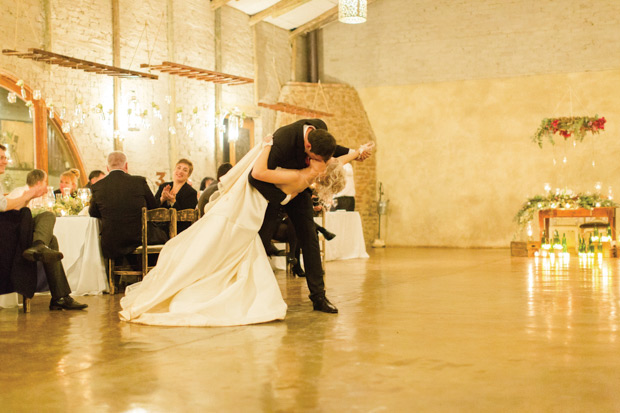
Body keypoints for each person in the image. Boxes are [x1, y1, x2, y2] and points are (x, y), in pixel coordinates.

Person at [118, 134, 364, 327]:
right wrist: (355, 152)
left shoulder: (302, 176)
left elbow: (263, 174)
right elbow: (332, 162)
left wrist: (266, 146)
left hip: (251, 203)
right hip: (249, 204)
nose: (322, 161)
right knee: (227, 243)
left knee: (225, 243)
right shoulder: (306, 176)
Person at [248, 119, 372, 313]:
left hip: (300, 191)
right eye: (317, 158)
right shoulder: (283, 141)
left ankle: (318, 297)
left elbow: (333, 152)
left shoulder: (319, 129)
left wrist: (355, 153)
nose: (321, 164)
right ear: (308, 145)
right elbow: (255, 177)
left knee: (310, 240)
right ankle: (255, 294)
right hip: (274, 192)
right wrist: (283, 198)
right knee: (261, 241)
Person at [0, 146, 87, 310]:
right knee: (49, 236)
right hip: (6, 235)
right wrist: (29, 195)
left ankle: (39, 246)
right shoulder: (19, 191)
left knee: (48, 220)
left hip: (10, 228)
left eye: (5, 157)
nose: (5, 161)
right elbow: (3, 206)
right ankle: (60, 296)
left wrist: (29, 198)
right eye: (2, 157)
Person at [89, 151, 168, 261]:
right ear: (126, 166)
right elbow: (153, 208)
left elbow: (93, 213)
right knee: (164, 235)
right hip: (139, 238)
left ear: (107, 168)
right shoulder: (139, 181)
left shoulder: (98, 186)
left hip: (112, 242)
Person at [154, 159, 198, 233]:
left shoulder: (191, 192)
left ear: (188, 175)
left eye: (185, 170)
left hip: (179, 231)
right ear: (174, 170)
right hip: (158, 230)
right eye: (178, 168)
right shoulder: (163, 186)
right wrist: (162, 199)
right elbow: (152, 207)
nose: (180, 171)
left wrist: (173, 201)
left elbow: (187, 218)